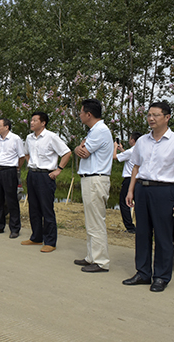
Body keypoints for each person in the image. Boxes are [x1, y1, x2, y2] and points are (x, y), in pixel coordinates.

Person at [123, 102, 174, 292]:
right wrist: (131, 190)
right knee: (142, 233)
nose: (151, 118)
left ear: (167, 117)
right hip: (142, 189)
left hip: (164, 191)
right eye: (149, 115)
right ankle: (143, 273)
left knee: (163, 235)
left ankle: (161, 276)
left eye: (156, 115)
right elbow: (136, 167)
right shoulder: (142, 141)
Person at [22, 112, 71, 252]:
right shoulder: (29, 138)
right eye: (31, 120)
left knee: (46, 208)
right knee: (33, 207)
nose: (31, 123)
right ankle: (36, 237)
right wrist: (31, 163)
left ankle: (50, 242)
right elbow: (26, 153)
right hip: (32, 174)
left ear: (43, 123)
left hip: (45, 176)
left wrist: (59, 169)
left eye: (35, 120)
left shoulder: (51, 137)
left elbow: (67, 153)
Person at [73, 98, 113, 273]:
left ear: (88, 114)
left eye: (81, 112)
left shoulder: (100, 130)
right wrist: (78, 147)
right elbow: (80, 148)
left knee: (96, 221)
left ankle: (101, 261)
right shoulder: (94, 131)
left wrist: (79, 148)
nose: (80, 115)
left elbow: (84, 152)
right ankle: (91, 256)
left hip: (96, 179)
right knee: (91, 221)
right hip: (90, 178)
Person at [0, 118, 25, 238]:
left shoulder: (15, 139)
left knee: (11, 200)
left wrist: (16, 168)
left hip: (9, 170)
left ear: (6, 127)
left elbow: (21, 156)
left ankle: (15, 228)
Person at [113, 131, 142, 234]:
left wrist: (115, 147)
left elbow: (114, 157)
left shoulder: (130, 151)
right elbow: (129, 157)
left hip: (129, 179)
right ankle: (141, 226)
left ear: (133, 140)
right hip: (139, 180)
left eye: (130, 138)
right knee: (138, 203)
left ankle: (129, 227)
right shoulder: (140, 150)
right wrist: (122, 150)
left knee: (124, 203)